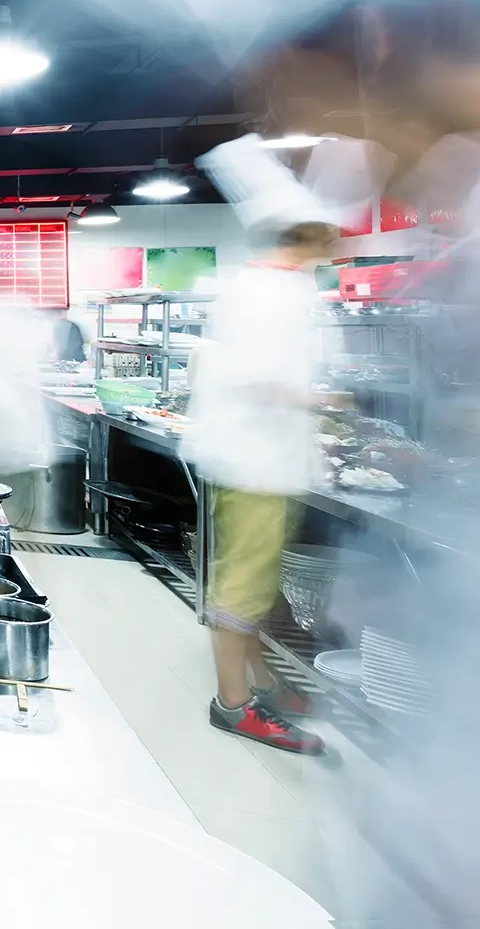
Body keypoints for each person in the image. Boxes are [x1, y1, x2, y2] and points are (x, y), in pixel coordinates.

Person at [182, 219, 337, 755]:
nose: (337, 243)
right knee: (243, 588)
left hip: (256, 460)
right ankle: (233, 706)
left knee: (250, 584)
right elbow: (262, 376)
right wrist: (328, 402)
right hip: (253, 462)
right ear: (305, 236)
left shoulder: (268, 285)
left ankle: (264, 685)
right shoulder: (269, 292)